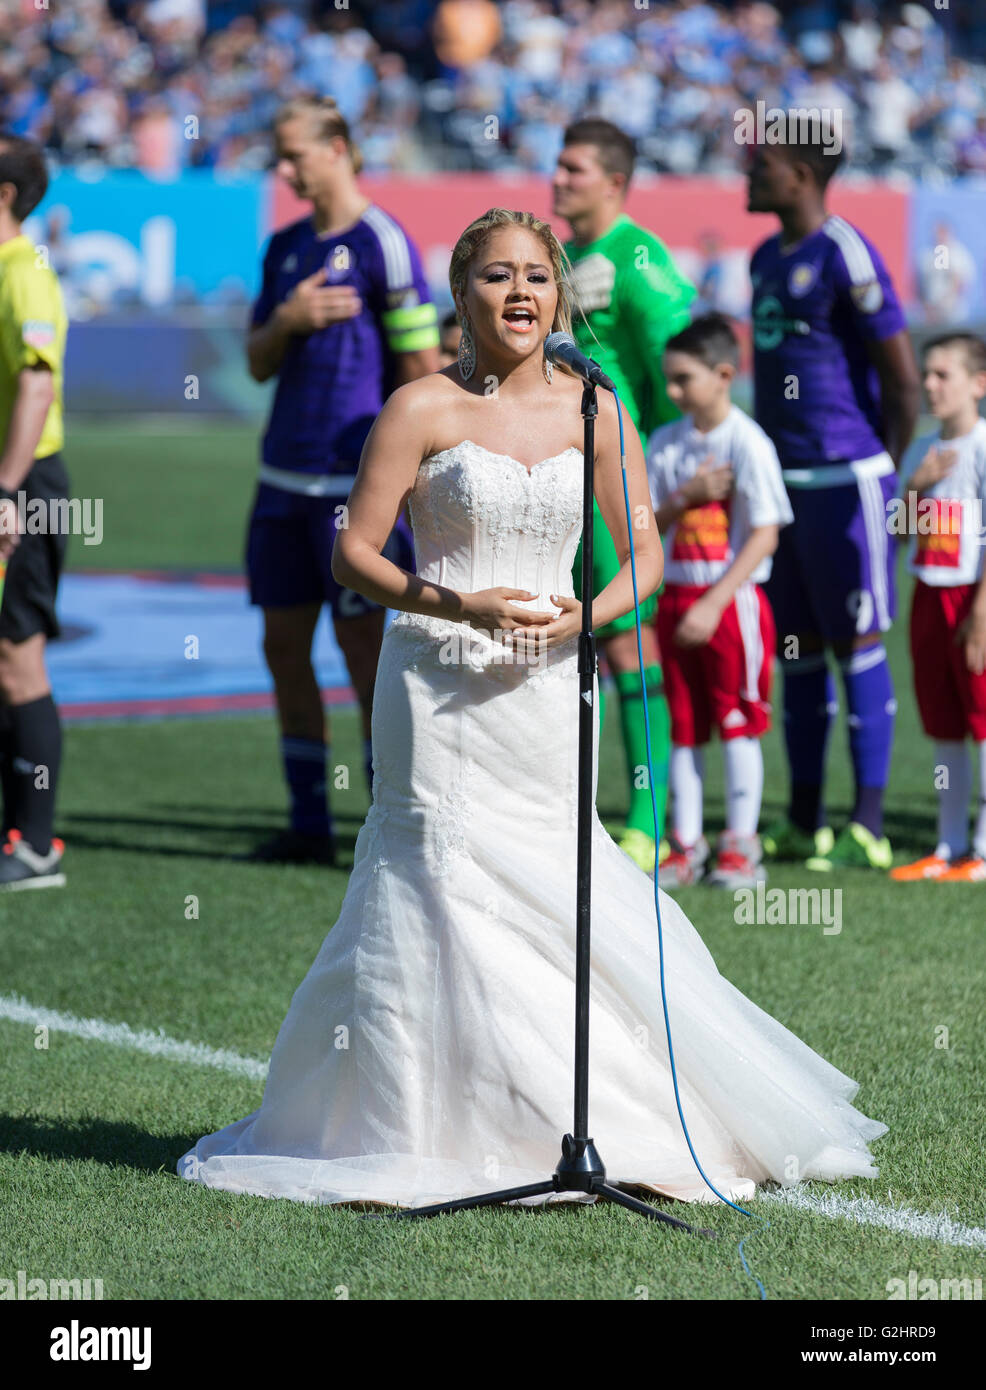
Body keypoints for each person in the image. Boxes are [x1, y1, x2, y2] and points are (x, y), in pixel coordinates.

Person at [177, 209, 886, 1210]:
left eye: (537, 278)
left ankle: (574, 1114)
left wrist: (580, 622)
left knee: (555, 885)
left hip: (549, 688)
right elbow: (355, 552)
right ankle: (411, 1125)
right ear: (460, 293)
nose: (519, 293)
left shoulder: (593, 409)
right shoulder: (417, 406)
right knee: (428, 881)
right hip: (432, 685)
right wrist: (450, 601)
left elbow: (639, 545)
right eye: (496, 275)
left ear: (558, 296)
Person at [245, 97, 439, 865]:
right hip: (278, 481)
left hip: (350, 490)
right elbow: (259, 360)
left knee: (367, 652)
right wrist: (289, 317)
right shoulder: (285, 246)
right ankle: (306, 824)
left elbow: (420, 368)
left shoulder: (383, 244)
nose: (284, 170)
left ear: (337, 148)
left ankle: (383, 825)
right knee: (282, 645)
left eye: (294, 154)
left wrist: (413, 480)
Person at [747, 133, 921, 872]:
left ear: (801, 175)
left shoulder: (846, 251)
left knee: (858, 645)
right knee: (800, 654)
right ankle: (806, 819)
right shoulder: (763, 257)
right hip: (784, 486)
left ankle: (871, 825)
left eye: (762, 167)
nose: (748, 176)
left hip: (849, 481)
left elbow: (903, 379)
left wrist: (887, 473)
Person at [553, 118, 696, 875]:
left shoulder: (639, 259)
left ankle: (648, 825)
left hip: (611, 481)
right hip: (554, 479)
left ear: (614, 180)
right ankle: (573, 810)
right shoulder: (568, 256)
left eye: (575, 169)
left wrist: (664, 474)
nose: (559, 178)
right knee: (561, 634)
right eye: (558, 165)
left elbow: (682, 367)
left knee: (622, 640)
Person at [648, 315, 792, 890]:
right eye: (669, 380)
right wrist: (684, 497)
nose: (674, 391)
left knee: (737, 721)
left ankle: (740, 845)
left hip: (730, 601)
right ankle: (685, 844)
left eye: (684, 379)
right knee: (684, 726)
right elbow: (645, 522)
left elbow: (766, 530)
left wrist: (714, 601)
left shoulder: (747, 440)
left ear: (724, 374)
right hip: (675, 595)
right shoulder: (665, 442)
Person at [889, 334, 986, 882]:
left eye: (942, 375)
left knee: (982, 721)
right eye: (926, 374)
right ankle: (947, 846)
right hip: (928, 597)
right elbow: (899, 534)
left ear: (978, 384)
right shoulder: (921, 451)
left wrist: (981, 615)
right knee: (944, 724)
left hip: (973, 599)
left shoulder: (982, 447)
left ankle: (982, 848)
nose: (929, 384)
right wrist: (914, 491)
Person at [0, 134, 68, 892]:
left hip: (28, 489)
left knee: (18, 659)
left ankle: (37, 845)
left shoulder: (27, 273)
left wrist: (7, 489)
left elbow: (36, 386)